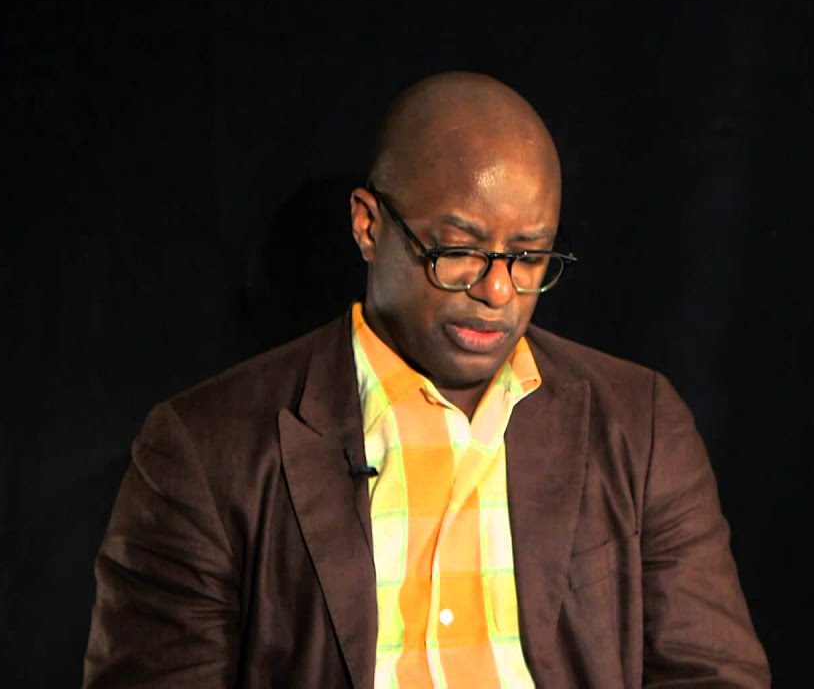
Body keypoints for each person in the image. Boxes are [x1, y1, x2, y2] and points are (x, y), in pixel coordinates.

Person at [83, 71, 769, 688]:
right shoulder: (206, 450)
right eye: (459, 250)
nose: (498, 291)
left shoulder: (639, 423)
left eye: (529, 256)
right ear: (368, 226)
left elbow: (713, 674)